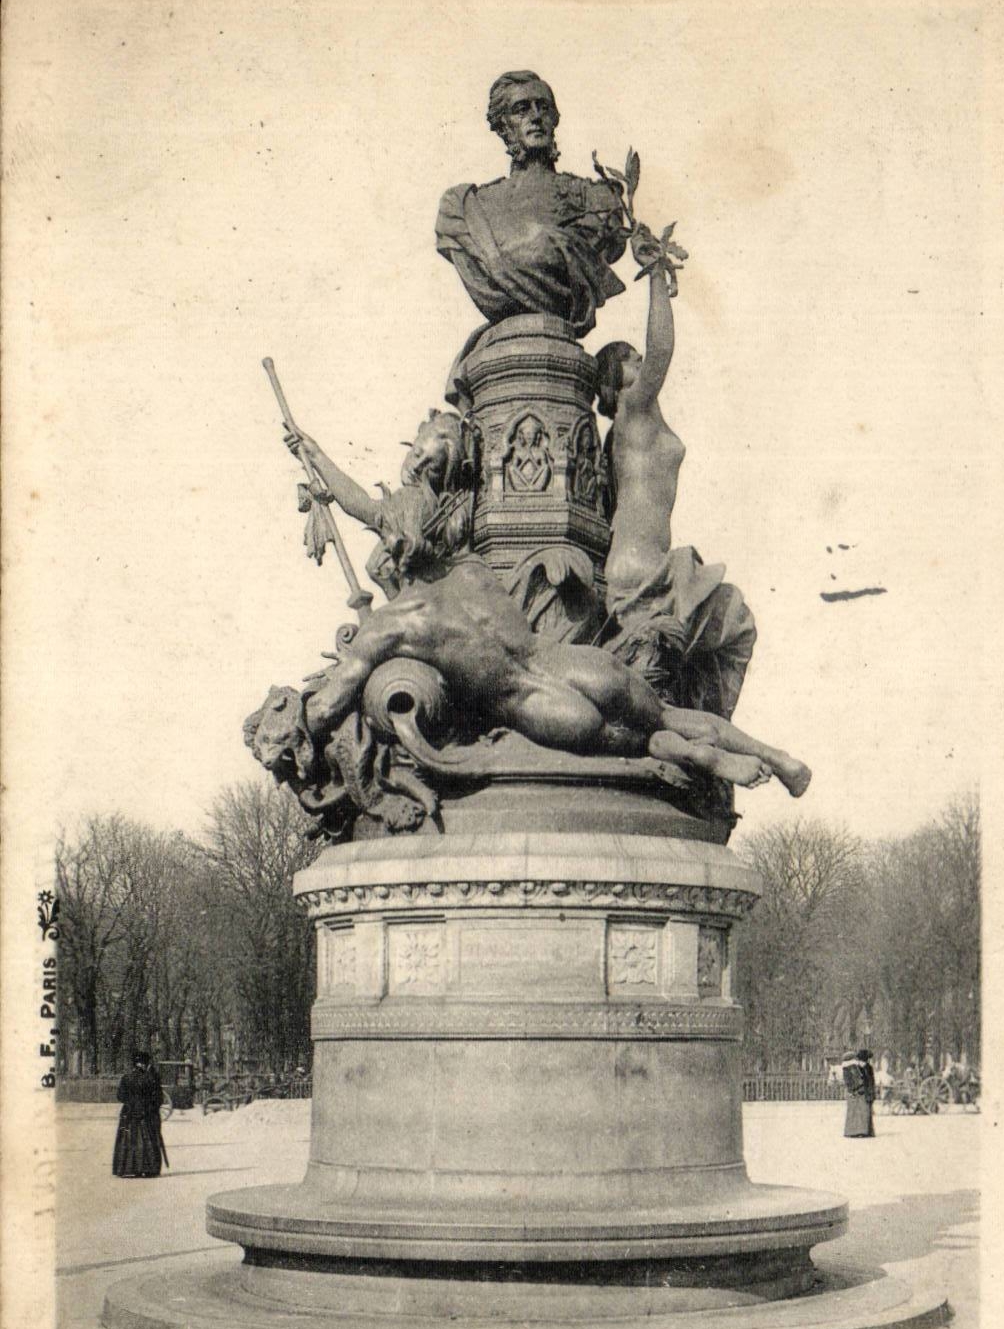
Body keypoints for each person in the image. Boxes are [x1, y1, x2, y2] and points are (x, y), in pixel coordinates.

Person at [252, 554, 812, 797]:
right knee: (667, 715)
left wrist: (289, 732)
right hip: (571, 661)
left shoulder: (384, 634)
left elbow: (326, 707)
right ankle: (781, 759)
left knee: (642, 743)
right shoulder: (469, 575)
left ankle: (698, 757)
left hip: (535, 707)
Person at [596, 255, 760, 725]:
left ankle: (706, 731)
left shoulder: (635, 425)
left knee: (727, 629)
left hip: (645, 566)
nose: (639, 359)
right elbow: (663, 349)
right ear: (615, 383)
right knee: (737, 623)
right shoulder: (634, 410)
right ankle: (710, 731)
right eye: (628, 358)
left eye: (634, 354)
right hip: (644, 571)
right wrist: (655, 278)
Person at [436, 72, 628, 338]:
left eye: (544, 107)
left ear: (554, 120)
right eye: (521, 109)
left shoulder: (596, 198)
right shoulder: (466, 207)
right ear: (503, 125)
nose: (535, 116)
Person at [285, 411, 472, 599]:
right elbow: (365, 507)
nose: (416, 467)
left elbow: (365, 508)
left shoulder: (416, 498)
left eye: (432, 468)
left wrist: (316, 456)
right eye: (417, 454)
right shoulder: (422, 502)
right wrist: (315, 455)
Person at [112, 1052, 165, 1179]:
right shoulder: (151, 1078)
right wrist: (151, 1107)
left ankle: (127, 1168)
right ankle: (148, 1168)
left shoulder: (126, 1077)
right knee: (148, 1139)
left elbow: (120, 1096)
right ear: (145, 1064)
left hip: (129, 1113)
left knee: (128, 1139)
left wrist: (131, 1103)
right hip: (147, 1114)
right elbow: (159, 1098)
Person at [841, 1048, 876, 1139]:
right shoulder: (855, 1068)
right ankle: (860, 1131)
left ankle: (860, 1131)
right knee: (861, 1112)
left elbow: (867, 1081)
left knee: (861, 1112)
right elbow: (862, 1081)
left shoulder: (857, 1068)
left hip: (861, 1092)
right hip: (860, 1092)